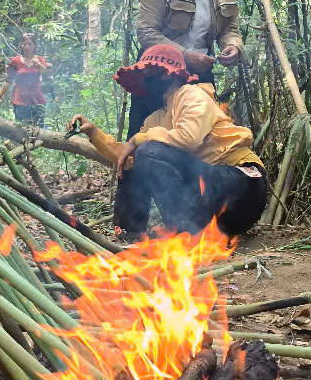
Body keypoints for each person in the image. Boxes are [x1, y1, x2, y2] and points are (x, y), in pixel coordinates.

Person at [72, 45, 267, 241]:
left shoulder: (191, 94)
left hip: (244, 188)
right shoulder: (157, 118)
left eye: (147, 72)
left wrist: (141, 138)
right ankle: (162, 234)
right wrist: (94, 133)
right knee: (143, 154)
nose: (144, 79)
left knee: (148, 149)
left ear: (165, 74)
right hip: (213, 209)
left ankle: (185, 232)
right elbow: (130, 157)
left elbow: (188, 138)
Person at [130, 0, 243, 139]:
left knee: (199, 137)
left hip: (200, 73)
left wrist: (233, 45)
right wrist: (185, 56)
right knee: (146, 133)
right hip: (157, 72)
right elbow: (146, 33)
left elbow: (230, 28)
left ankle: (193, 175)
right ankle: (133, 171)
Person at [0, 32, 51, 127]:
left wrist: (38, 65)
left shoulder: (40, 59)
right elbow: (8, 81)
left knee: (39, 131)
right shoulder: (15, 61)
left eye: (30, 44)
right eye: (24, 44)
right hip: (20, 102)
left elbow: (44, 72)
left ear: (34, 46)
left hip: (37, 101)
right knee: (22, 130)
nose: (27, 46)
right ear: (21, 45)